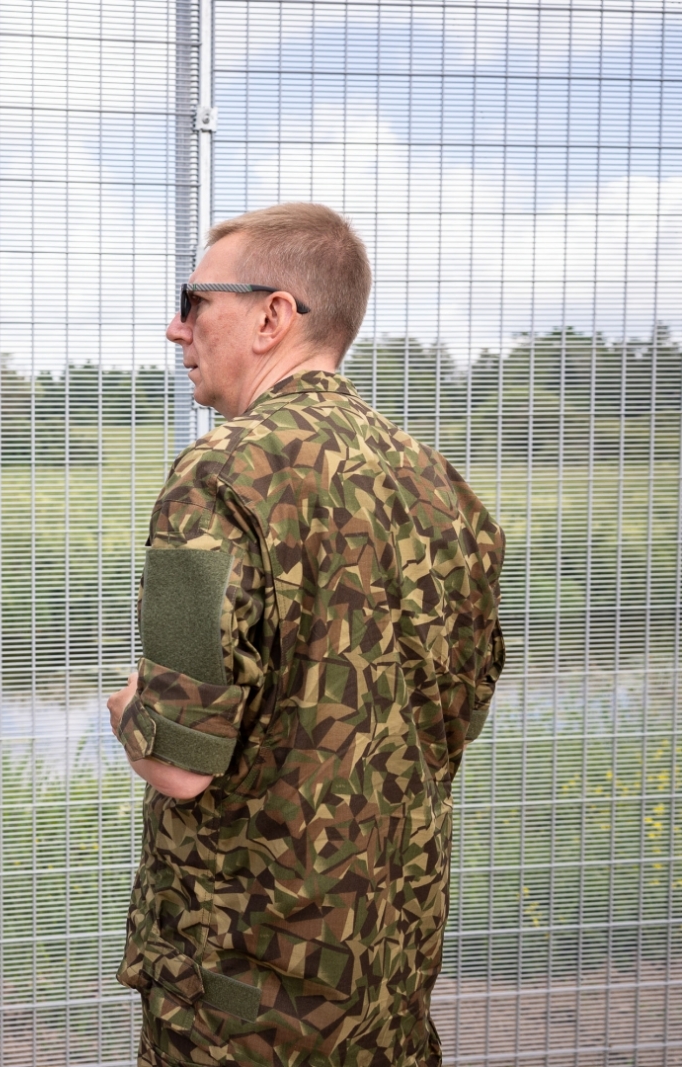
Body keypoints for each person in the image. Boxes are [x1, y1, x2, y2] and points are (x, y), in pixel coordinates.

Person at [106, 202, 505, 1066]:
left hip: (243, 993)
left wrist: (127, 707)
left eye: (195, 300)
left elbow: (177, 758)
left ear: (272, 314)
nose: (177, 328)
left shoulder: (214, 478)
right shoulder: (442, 488)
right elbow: (451, 718)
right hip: (385, 963)